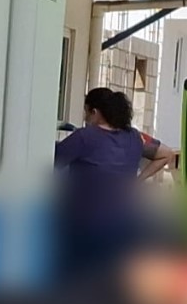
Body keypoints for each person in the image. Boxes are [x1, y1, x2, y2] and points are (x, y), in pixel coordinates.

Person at [54, 87, 145, 277]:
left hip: (85, 223)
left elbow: (52, 162)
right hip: (124, 224)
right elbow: (165, 153)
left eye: (87, 113)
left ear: (94, 112)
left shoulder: (85, 136)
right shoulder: (134, 138)